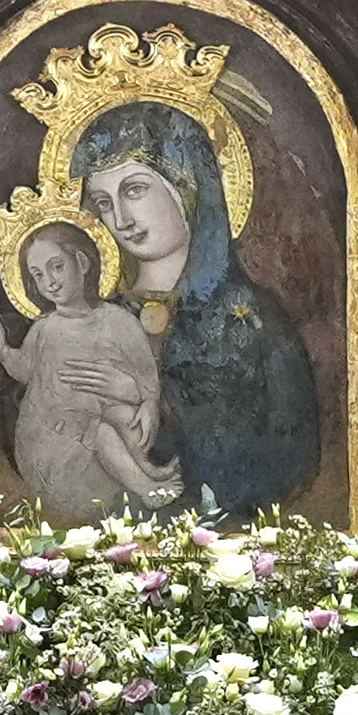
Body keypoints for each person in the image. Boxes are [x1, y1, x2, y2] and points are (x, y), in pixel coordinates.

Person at [71, 101, 323, 519]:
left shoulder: (250, 318)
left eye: (134, 190)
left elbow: (288, 454)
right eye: (103, 201)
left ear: (187, 186)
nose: (120, 218)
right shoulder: (96, 316)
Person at [0, 219, 185, 519]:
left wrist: (149, 403)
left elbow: (145, 372)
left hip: (94, 419)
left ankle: (147, 469)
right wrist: (1, 349)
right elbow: (25, 371)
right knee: (101, 432)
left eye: (56, 266)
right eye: (38, 274)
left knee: (124, 416)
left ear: (82, 262)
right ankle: (144, 486)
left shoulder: (120, 322)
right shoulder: (45, 329)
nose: (49, 281)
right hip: (51, 439)